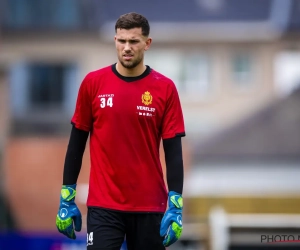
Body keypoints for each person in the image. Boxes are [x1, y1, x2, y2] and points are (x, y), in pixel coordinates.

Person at [56, 12, 185, 250]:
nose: (127, 47)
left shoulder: (165, 88)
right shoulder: (93, 83)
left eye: (134, 41)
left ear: (147, 43)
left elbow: (174, 153)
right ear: (115, 40)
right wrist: (67, 196)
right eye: (121, 40)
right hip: (103, 206)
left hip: (149, 206)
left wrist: (175, 204)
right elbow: (76, 143)